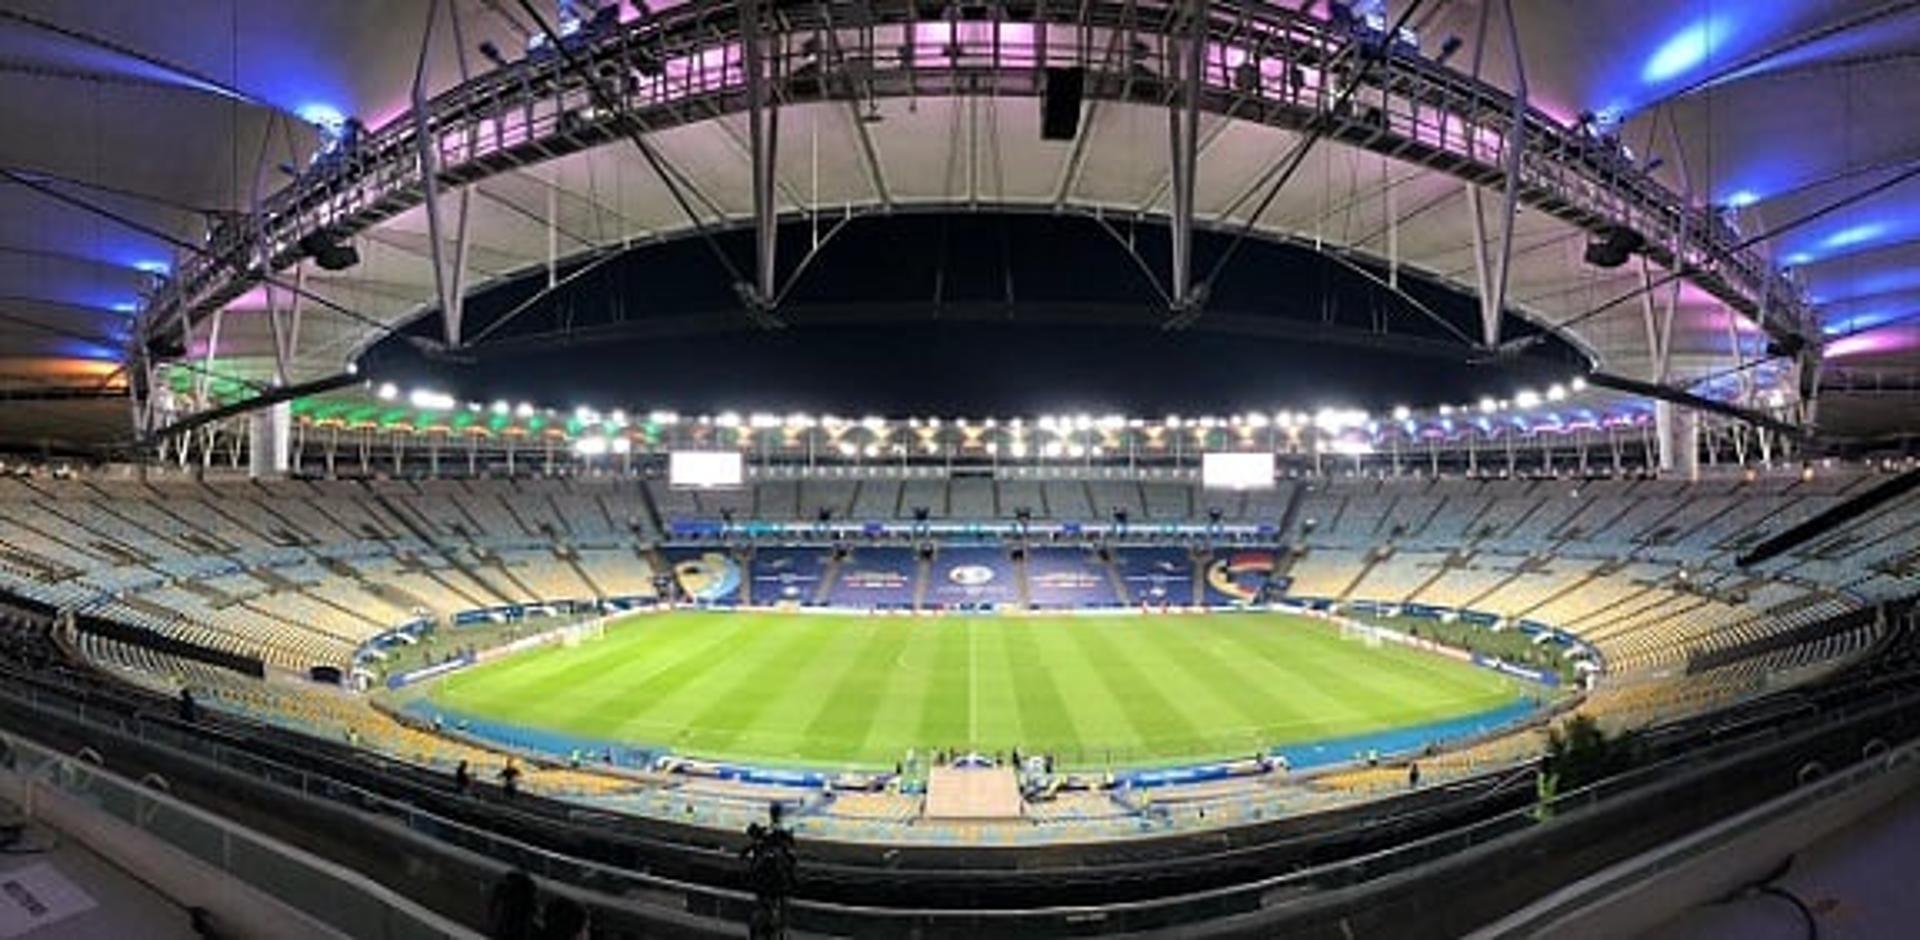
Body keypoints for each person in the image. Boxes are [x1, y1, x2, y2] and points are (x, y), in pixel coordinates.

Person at [487, 870, 538, 940]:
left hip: (511, 927)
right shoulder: (527, 895)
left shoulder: (511, 892)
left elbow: (494, 905)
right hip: (514, 927)